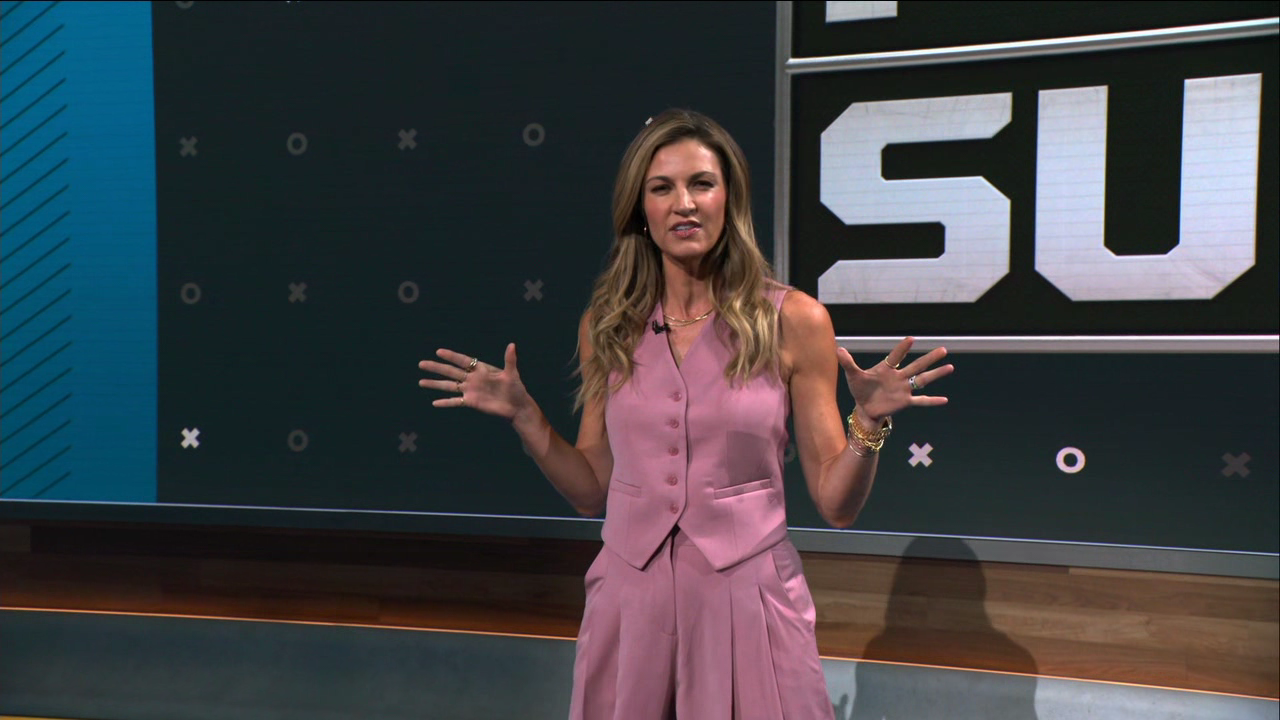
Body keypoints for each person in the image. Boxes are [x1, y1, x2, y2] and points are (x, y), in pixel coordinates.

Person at [418, 109, 953, 719]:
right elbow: (591, 490)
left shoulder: (793, 320)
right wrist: (526, 417)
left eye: (702, 183)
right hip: (629, 598)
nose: (684, 204)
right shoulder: (607, 326)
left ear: (730, 199)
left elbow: (837, 504)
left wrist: (869, 424)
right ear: (640, 210)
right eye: (662, 187)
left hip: (747, 597)